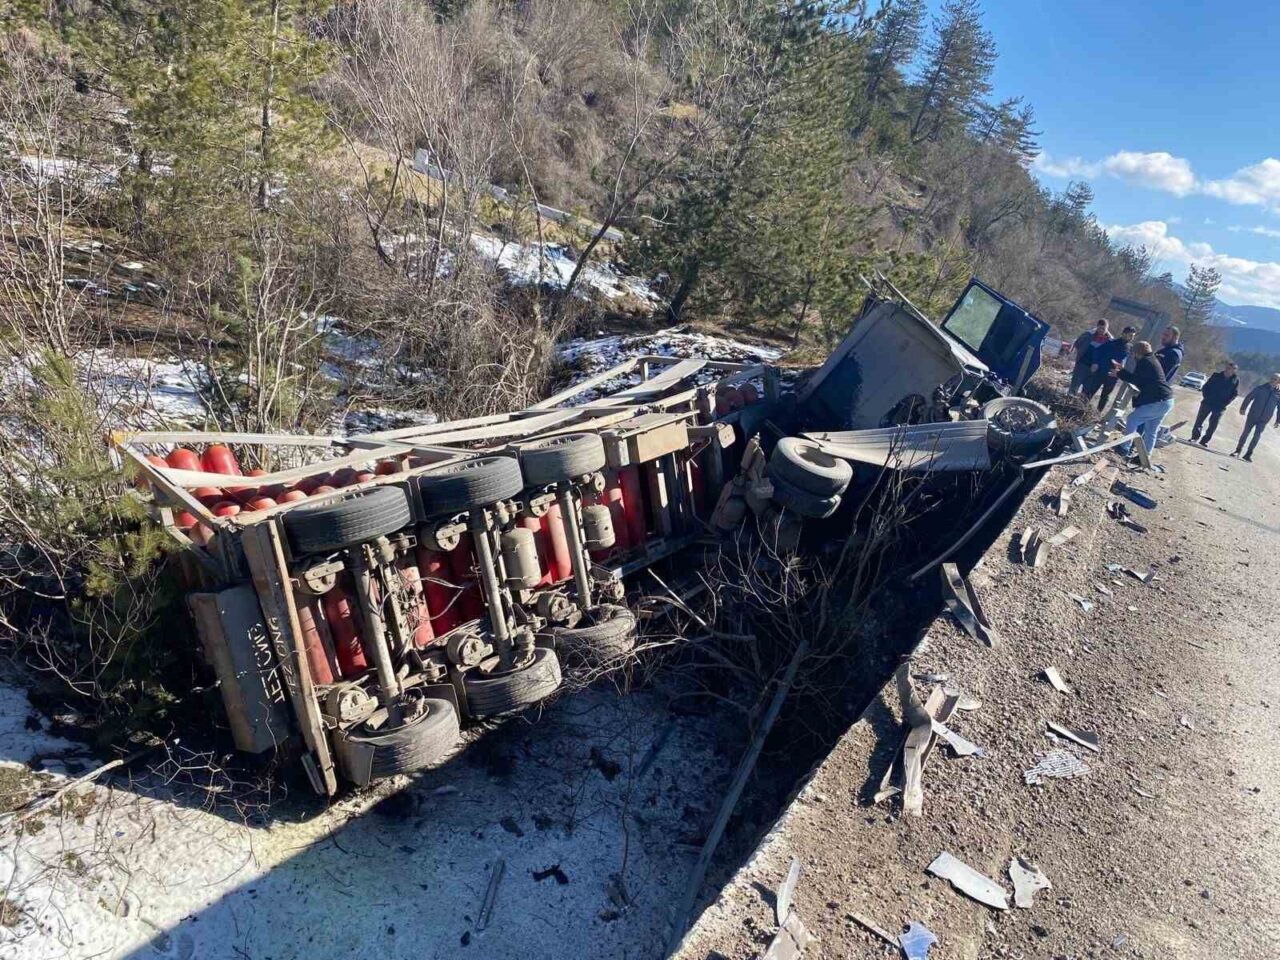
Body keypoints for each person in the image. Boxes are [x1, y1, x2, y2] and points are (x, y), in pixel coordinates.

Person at [1111, 341, 1173, 460]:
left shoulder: (1145, 362)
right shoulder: (1152, 360)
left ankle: (1124, 447)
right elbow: (1140, 378)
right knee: (1151, 430)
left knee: (1132, 419)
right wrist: (1122, 371)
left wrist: (1119, 373)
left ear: (1137, 353)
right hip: (1166, 400)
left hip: (1158, 401)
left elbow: (1136, 379)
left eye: (1133, 353)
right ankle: (1144, 457)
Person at [1085, 325, 1137, 410]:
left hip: (1113, 376)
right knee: (1090, 392)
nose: (1132, 338)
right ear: (1124, 334)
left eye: (1133, 336)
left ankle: (1096, 415)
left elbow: (1130, 362)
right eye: (1130, 335)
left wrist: (1123, 370)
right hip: (1101, 371)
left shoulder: (1130, 348)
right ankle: (1080, 409)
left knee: (1105, 396)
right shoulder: (1111, 342)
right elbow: (1097, 351)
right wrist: (1095, 363)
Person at [1231, 373, 1280, 462]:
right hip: (1253, 415)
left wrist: (1278, 420)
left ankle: (1248, 454)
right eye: (1272, 378)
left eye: (1275, 379)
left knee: (1256, 436)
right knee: (1245, 433)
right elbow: (1249, 397)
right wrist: (1243, 408)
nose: (1272, 380)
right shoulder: (1261, 388)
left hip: (1264, 419)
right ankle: (1237, 451)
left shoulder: (1278, 394)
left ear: (1278, 382)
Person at [1191, 361, 1239, 446]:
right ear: (1225, 368)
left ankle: (1204, 441)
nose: (1229, 370)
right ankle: (1194, 437)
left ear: (1234, 371)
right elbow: (1206, 386)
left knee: (1213, 424)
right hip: (1208, 402)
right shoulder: (1216, 376)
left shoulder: (1235, 380)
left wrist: (1227, 402)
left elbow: (1234, 394)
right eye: (1228, 368)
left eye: (1232, 369)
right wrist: (1206, 396)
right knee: (1199, 421)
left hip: (1220, 406)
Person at [1069, 319, 1110, 394]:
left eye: (1103, 329)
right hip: (1082, 364)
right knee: (1074, 386)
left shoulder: (1109, 341)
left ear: (1107, 328)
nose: (1101, 330)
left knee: (1086, 391)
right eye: (1100, 328)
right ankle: (1066, 402)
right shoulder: (1088, 335)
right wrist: (1075, 351)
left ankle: (1077, 405)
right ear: (1097, 327)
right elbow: (1077, 343)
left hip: (1096, 369)